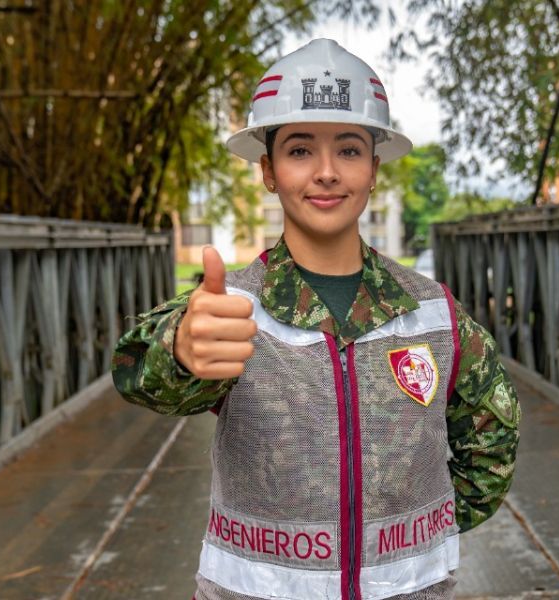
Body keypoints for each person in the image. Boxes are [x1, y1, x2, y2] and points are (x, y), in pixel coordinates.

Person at [111, 38, 519, 600]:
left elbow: (492, 444)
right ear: (268, 172)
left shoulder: (434, 312)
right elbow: (136, 370)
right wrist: (179, 351)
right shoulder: (232, 307)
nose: (326, 172)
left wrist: (409, 535)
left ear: (375, 168)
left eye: (349, 150)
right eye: (300, 150)